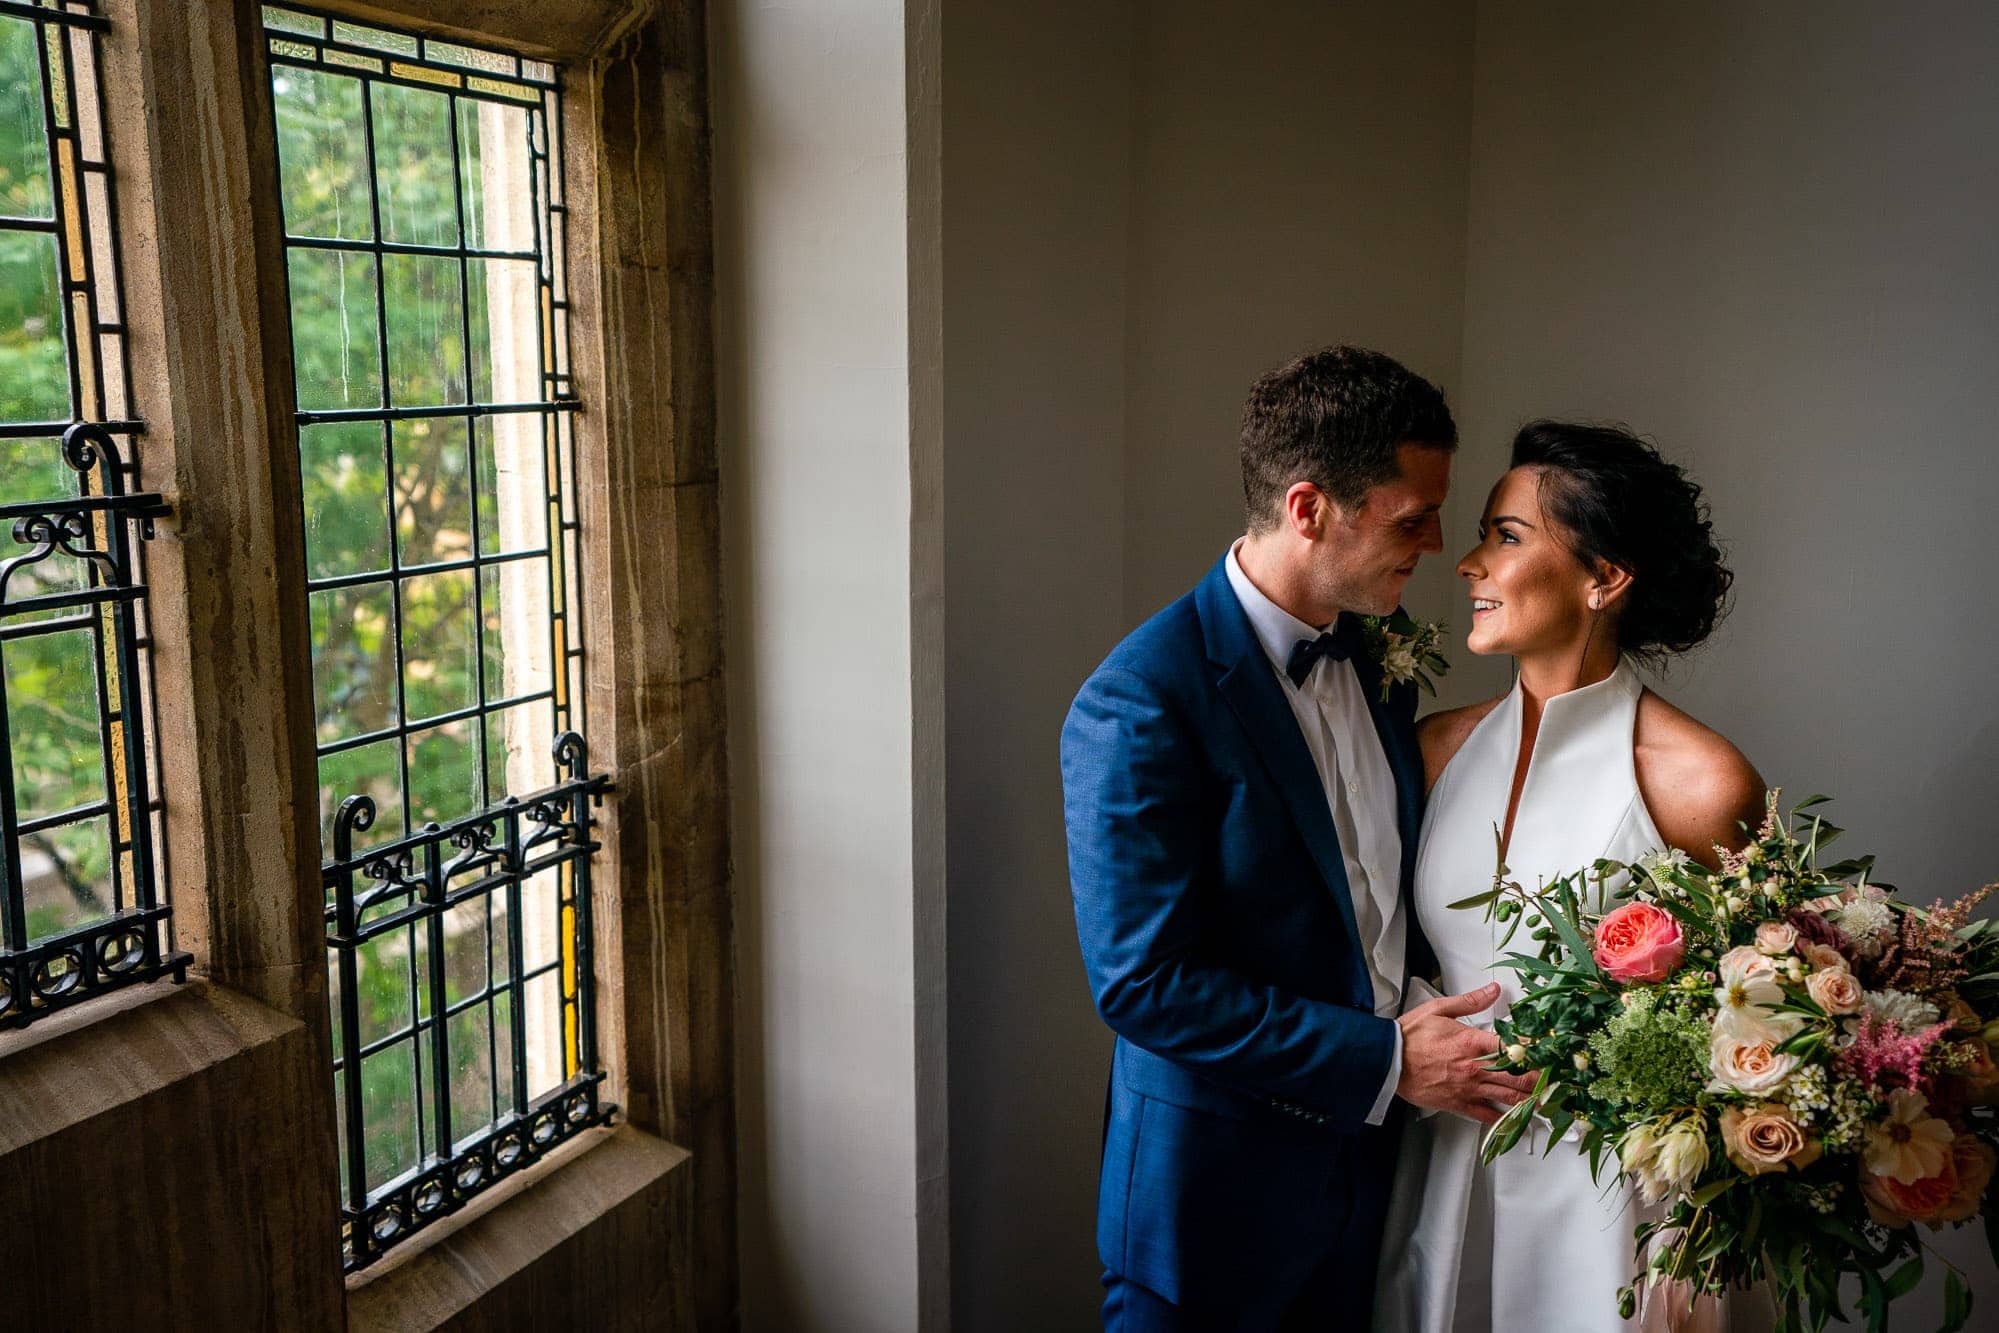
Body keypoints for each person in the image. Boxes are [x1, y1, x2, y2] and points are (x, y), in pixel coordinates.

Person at [1062, 346, 1537, 1331]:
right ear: (1309, 507)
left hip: (1366, 1187)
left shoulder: (1379, 660)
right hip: (1212, 1208)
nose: (1441, 543)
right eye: (1413, 516)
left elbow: (1366, 905)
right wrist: (1383, 1059)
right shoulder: (1142, 699)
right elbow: (1143, 982)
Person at [1373, 421, 1769, 1333]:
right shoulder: (1434, 748)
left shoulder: (1701, 782)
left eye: (1506, 537)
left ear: (1603, 577)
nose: (1468, 562)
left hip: (1613, 1206)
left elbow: (1759, 1020)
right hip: (1443, 1170)